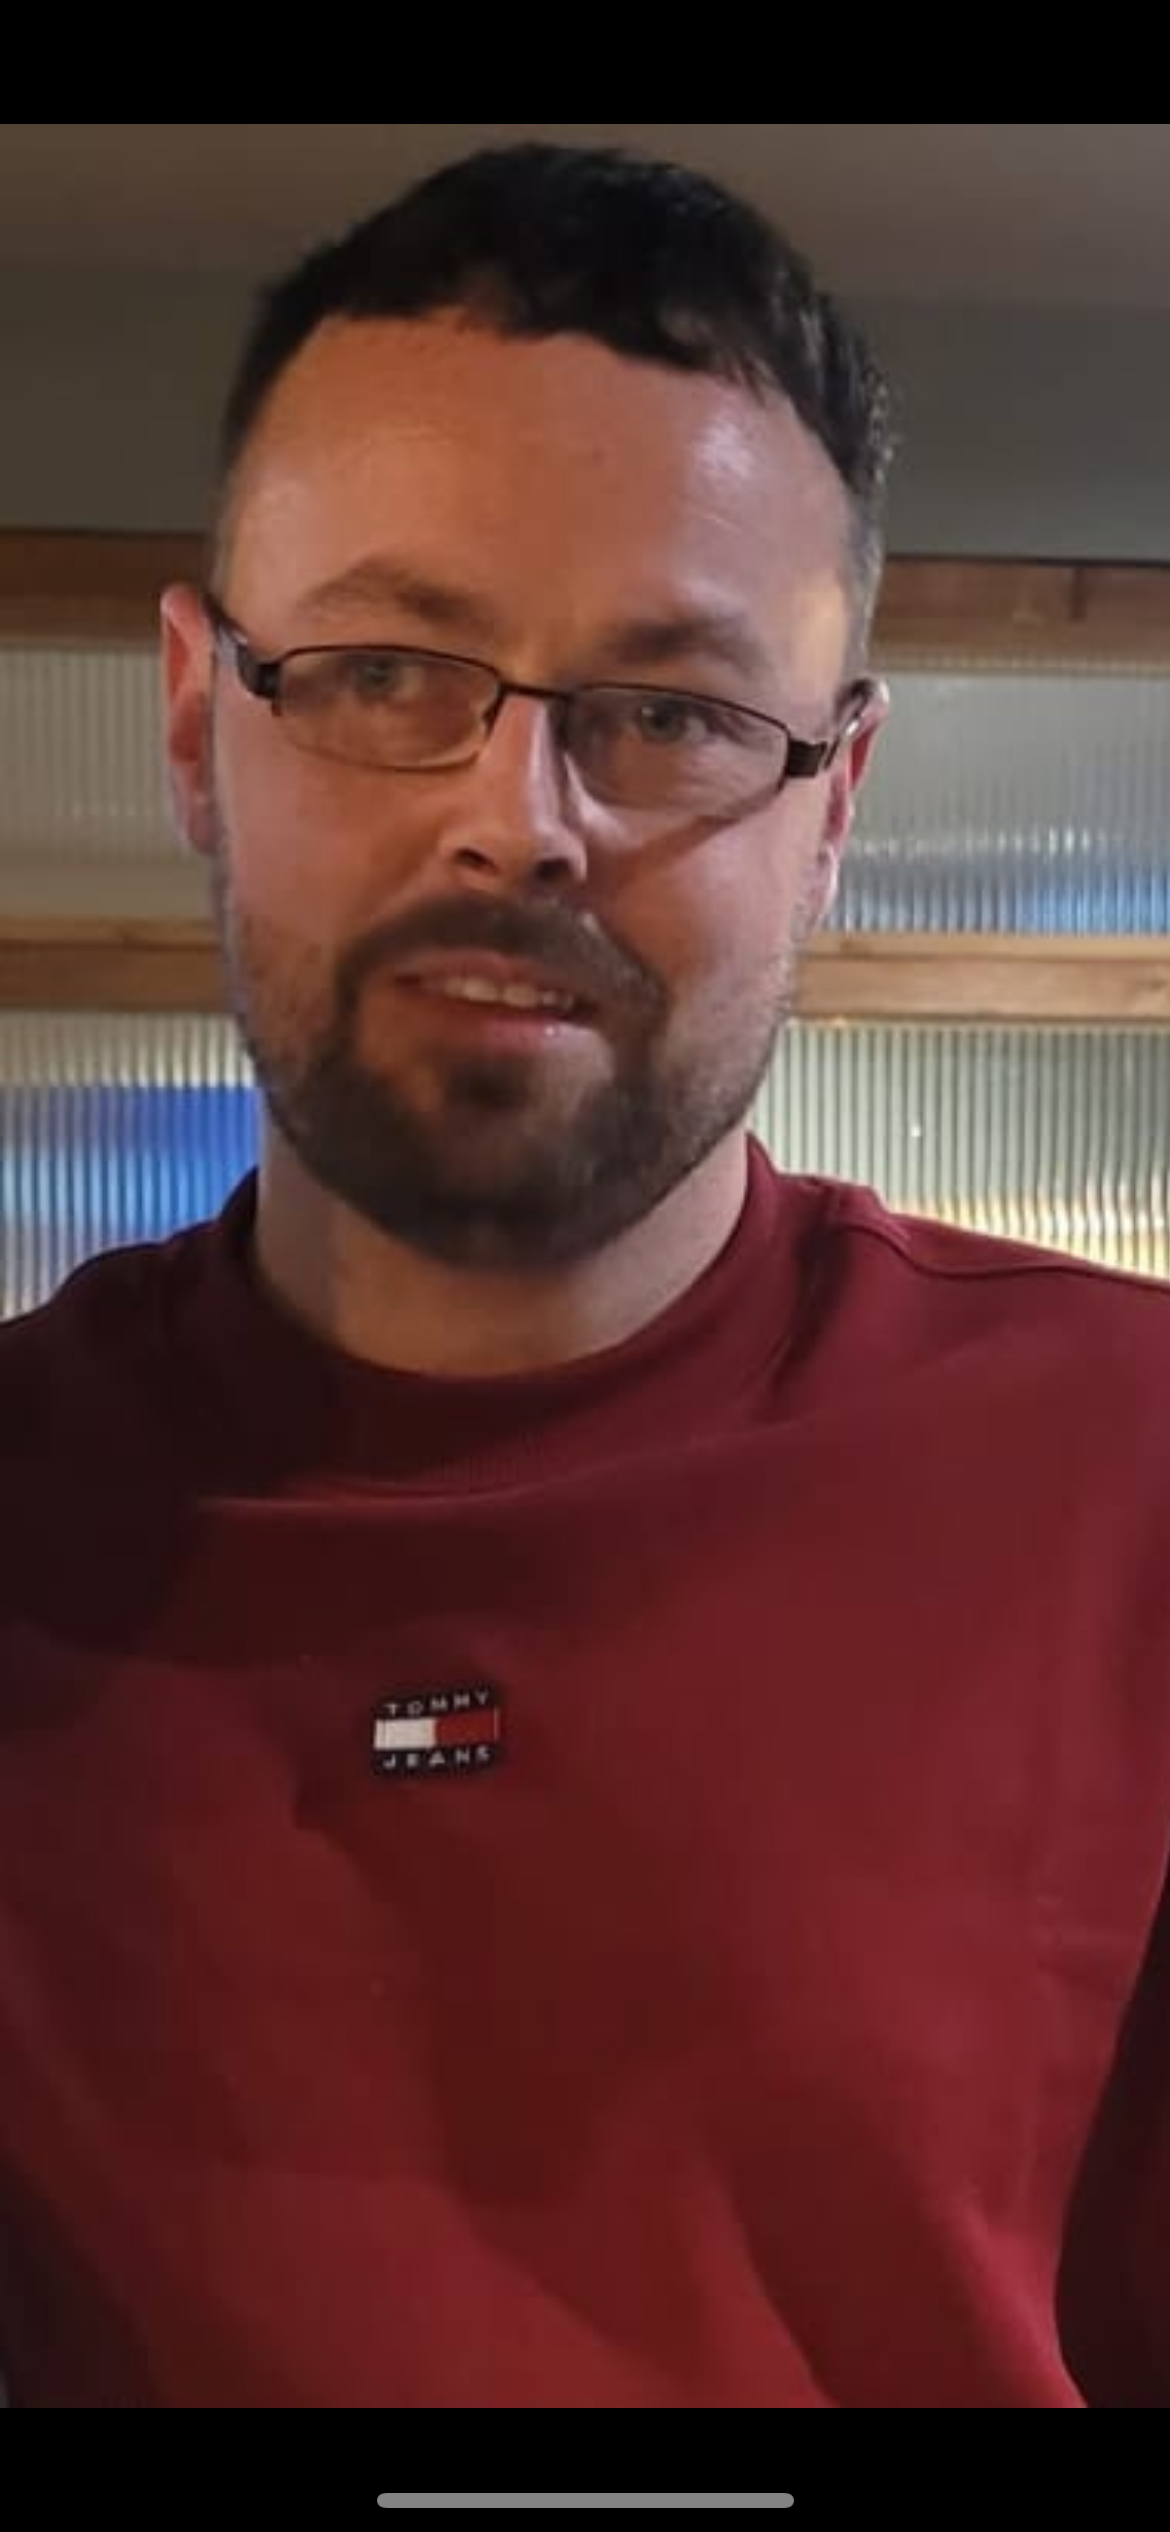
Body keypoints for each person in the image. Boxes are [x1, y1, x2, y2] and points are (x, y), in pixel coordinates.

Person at [0, 138, 1167, 2415]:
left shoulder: (1131, 1482)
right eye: (379, 669)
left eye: (673, 712)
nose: (517, 819)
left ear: (834, 806)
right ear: (194, 722)